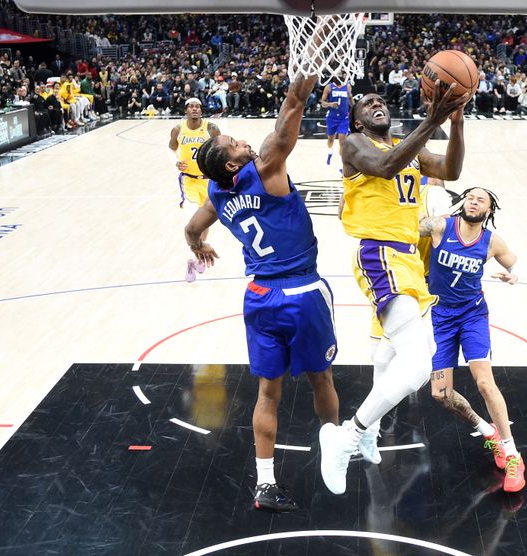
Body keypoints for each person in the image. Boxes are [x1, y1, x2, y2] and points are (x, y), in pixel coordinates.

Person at [184, 59, 340, 512]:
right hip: (302, 293)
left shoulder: (216, 193)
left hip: (259, 298)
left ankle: (265, 484)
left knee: (267, 394)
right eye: (233, 142)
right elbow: (293, 105)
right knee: (321, 378)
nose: (238, 137)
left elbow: (192, 229)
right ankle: (334, 449)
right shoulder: (268, 166)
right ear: (235, 163)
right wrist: (313, 61)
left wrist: (200, 246)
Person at [319, 82, 468, 496]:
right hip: (380, 255)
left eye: (381, 100)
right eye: (368, 103)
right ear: (357, 118)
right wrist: (433, 118)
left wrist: (455, 124)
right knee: (420, 366)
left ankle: (371, 432)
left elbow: (451, 171)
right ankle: (347, 436)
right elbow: (384, 167)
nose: (377, 104)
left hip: (408, 261)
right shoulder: (352, 144)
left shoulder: (408, 146)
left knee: (389, 354)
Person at [418, 187, 526, 492]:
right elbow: (403, 231)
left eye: (482, 199)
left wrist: (514, 275)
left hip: (472, 316)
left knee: (483, 382)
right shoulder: (439, 226)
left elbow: (514, 263)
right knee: (440, 394)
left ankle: (513, 453)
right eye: (471, 197)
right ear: (462, 202)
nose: (475, 201)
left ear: (489, 211)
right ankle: (485, 429)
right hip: (439, 317)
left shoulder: (491, 242)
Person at [169, 97, 220, 282]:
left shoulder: (211, 128)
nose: (195, 109)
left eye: (198, 106)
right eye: (191, 106)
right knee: (191, 223)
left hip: (209, 181)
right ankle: (191, 260)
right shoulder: (178, 129)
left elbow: (220, 150)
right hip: (189, 181)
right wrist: (175, 161)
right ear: (186, 110)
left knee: (203, 224)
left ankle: (199, 251)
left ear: (201, 110)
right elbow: (171, 148)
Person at [320, 73, 352, 166]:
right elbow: (322, 103)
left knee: (342, 141)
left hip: (344, 118)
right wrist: (330, 104)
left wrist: (354, 109)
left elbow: (350, 99)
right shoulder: (329, 87)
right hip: (332, 117)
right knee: (331, 140)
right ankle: (330, 153)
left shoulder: (348, 86)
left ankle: (343, 166)